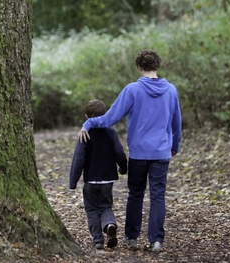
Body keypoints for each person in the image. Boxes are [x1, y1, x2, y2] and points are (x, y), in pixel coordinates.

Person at [78, 49, 182, 252]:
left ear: (139, 67)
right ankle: (156, 240)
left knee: (135, 194)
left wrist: (89, 123)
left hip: (139, 153)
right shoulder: (171, 90)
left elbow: (110, 117)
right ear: (157, 67)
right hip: (161, 152)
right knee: (158, 196)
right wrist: (174, 146)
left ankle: (131, 238)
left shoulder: (133, 90)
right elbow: (176, 123)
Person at [69, 99, 128, 250]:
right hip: (107, 179)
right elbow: (119, 153)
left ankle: (98, 240)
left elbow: (79, 159)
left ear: (86, 116)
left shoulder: (85, 133)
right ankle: (109, 225)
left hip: (90, 179)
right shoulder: (111, 132)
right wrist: (123, 167)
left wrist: (73, 181)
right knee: (106, 206)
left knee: (91, 209)